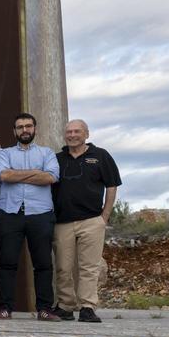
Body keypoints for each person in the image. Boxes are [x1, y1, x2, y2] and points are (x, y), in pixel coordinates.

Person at [0, 112, 62, 321]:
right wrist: (34, 173)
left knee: (43, 264)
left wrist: (18, 175)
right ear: (14, 131)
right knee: (7, 262)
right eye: (20, 127)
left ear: (35, 129)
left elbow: (51, 177)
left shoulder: (47, 153)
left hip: (40, 214)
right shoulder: (4, 153)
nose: (25, 130)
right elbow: (3, 175)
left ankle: (44, 309)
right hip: (10, 213)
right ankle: (5, 308)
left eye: (28, 126)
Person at [53, 119, 121, 324]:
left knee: (89, 267)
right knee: (63, 267)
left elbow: (112, 186)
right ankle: (65, 306)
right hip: (62, 222)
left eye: (77, 131)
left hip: (92, 221)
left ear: (86, 134)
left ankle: (87, 307)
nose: (72, 135)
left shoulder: (100, 156)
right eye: (69, 132)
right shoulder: (57, 159)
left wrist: (104, 216)